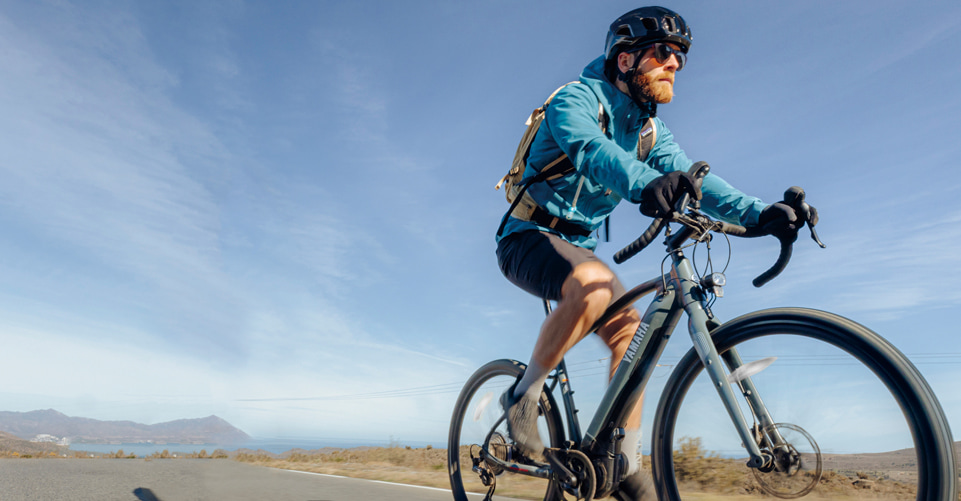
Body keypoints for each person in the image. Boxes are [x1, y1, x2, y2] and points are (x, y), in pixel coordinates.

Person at [494, 6, 810, 500]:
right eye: (664, 53)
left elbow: (699, 182)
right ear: (625, 60)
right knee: (593, 287)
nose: (675, 64)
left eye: (681, 56)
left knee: (631, 336)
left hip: (579, 248)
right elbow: (594, 154)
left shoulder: (649, 133)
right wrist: (648, 184)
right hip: (526, 236)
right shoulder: (575, 101)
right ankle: (523, 395)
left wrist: (761, 213)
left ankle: (623, 459)